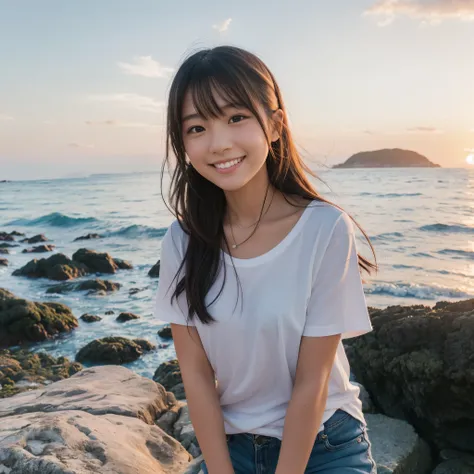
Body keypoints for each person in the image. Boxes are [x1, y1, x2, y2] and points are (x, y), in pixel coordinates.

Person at [154, 45, 378, 474]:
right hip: (232, 446)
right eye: (197, 127)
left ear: (275, 125)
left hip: (324, 443)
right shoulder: (182, 241)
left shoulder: (325, 229)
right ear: (182, 143)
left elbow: (311, 383)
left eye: (236, 118)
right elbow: (196, 375)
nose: (219, 144)